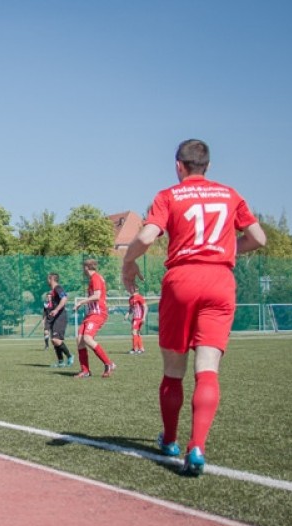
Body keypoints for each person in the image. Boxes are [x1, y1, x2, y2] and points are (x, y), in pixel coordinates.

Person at [122, 139, 266, 476]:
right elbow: (258, 237)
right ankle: (196, 447)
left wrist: (128, 263)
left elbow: (145, 237)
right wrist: (226, 249)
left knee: (174, 370)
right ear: (209, 167)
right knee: (208, 367)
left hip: (182, 280)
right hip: (220, 281)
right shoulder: (230, 194)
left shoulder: (168, 196)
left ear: (178, 165)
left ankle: (170, 439)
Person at [72, 260, 115, 378]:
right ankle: (85, 370)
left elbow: (97, 296)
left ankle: (109, 363)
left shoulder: (95, 278)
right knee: (80, 339)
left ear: (86, 267)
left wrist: (81, 302)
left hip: (98, 313)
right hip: (91, 314)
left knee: (87, 338)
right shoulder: (94, 278)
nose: (83, 270)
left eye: (83, 267)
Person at [46, 272, 73, 368]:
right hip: (55, 317)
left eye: (48, 279)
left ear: (51, 279)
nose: (47, 281)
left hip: (60, 317)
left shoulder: (58, 288)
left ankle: (70, 356)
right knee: (54, 341)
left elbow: (64, 298)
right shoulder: (53, 290)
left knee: (55, 339)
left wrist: (56, 310)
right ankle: (61, 362)